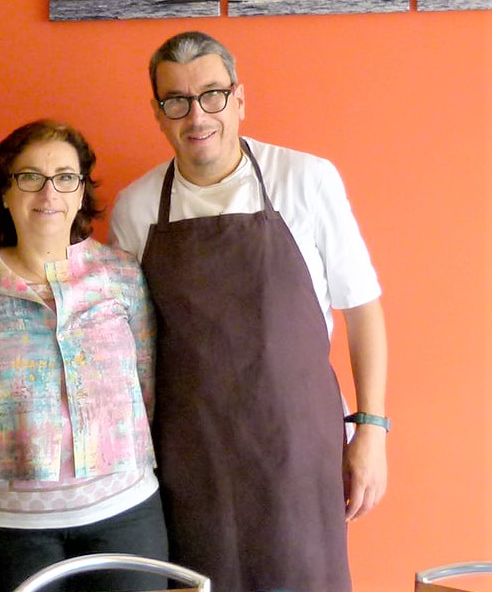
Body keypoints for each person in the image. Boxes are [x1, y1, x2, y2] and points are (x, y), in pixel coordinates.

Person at [109, 31, 388, 592]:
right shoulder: (135, 208)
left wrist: (372, 431)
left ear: (239, 98)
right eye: (177, 100)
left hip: (297, 444)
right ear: (158, 113)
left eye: (212, 94)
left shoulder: (306, 179)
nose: (197, 115)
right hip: (192, 452)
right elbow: (127, 345)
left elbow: (363, 310)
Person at [0, 119, 168, 592]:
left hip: (124, 516)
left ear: (81, 191)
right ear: (4, 193)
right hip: (2, 529)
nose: (49, 193)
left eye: (66, 177)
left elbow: (148, 386)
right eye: (30, 177)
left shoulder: (122, 275)